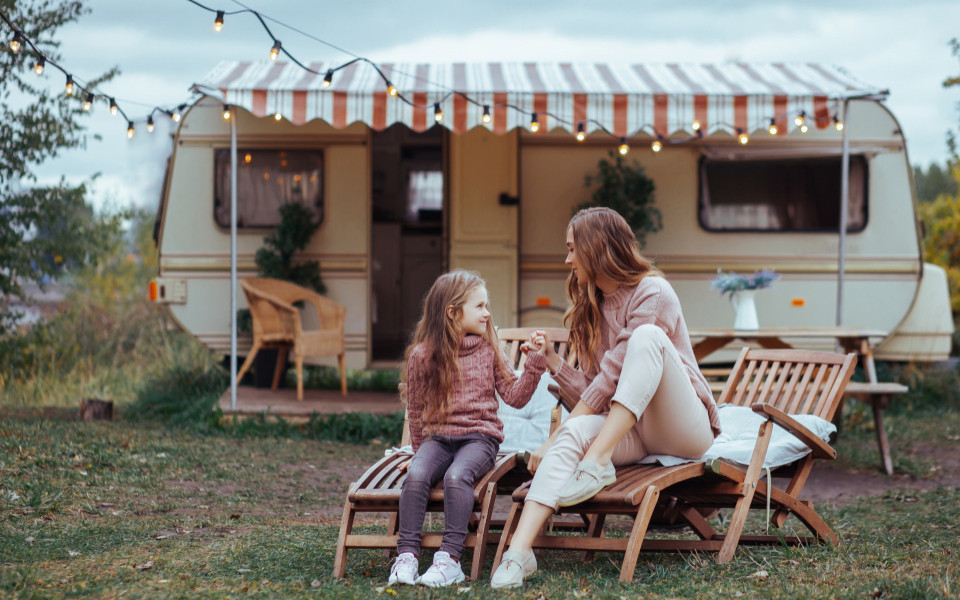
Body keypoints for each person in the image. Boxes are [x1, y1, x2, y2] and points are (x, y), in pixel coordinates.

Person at [490, 207, 722, 589]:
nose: (567, 260)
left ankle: (597, 460)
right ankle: (519, 553)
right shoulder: (592, 305)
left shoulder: (653, 291)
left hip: (682, 429)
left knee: (646, 338)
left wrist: (554, 442)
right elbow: (598, 390)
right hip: (630, 430)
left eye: (571, 249)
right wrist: (553, 362)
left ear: (596, 248)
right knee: (575, 429)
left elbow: (614, 374)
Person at [389, 269, 548, 588]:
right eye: (479, 306)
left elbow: (515, 397)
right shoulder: (423, 355)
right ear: (452, 312)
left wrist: (533, 363)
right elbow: (417, 410)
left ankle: (449, 559)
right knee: (417, 474)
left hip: (480, 439)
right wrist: (419, 454)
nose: (487, 313)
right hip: (438, 439)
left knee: (456, 476)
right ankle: (406, 556)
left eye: (486, 305)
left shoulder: (488, 349)